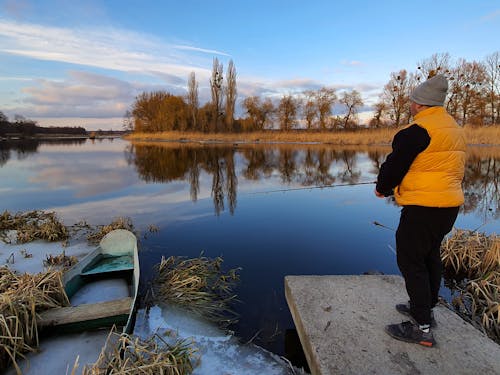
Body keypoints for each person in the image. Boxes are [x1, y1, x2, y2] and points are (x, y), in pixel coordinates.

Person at [375, 74, 466, 347]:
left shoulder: (416, 131)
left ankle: (422, 329)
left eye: (414, 100)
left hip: (423, 208)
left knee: (411, 261)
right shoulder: (454, 129)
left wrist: (383, 187)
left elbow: (394, 165)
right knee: (430, 257)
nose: (411, 104)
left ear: (421, 104)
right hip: (448, 206)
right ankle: (425, 309)